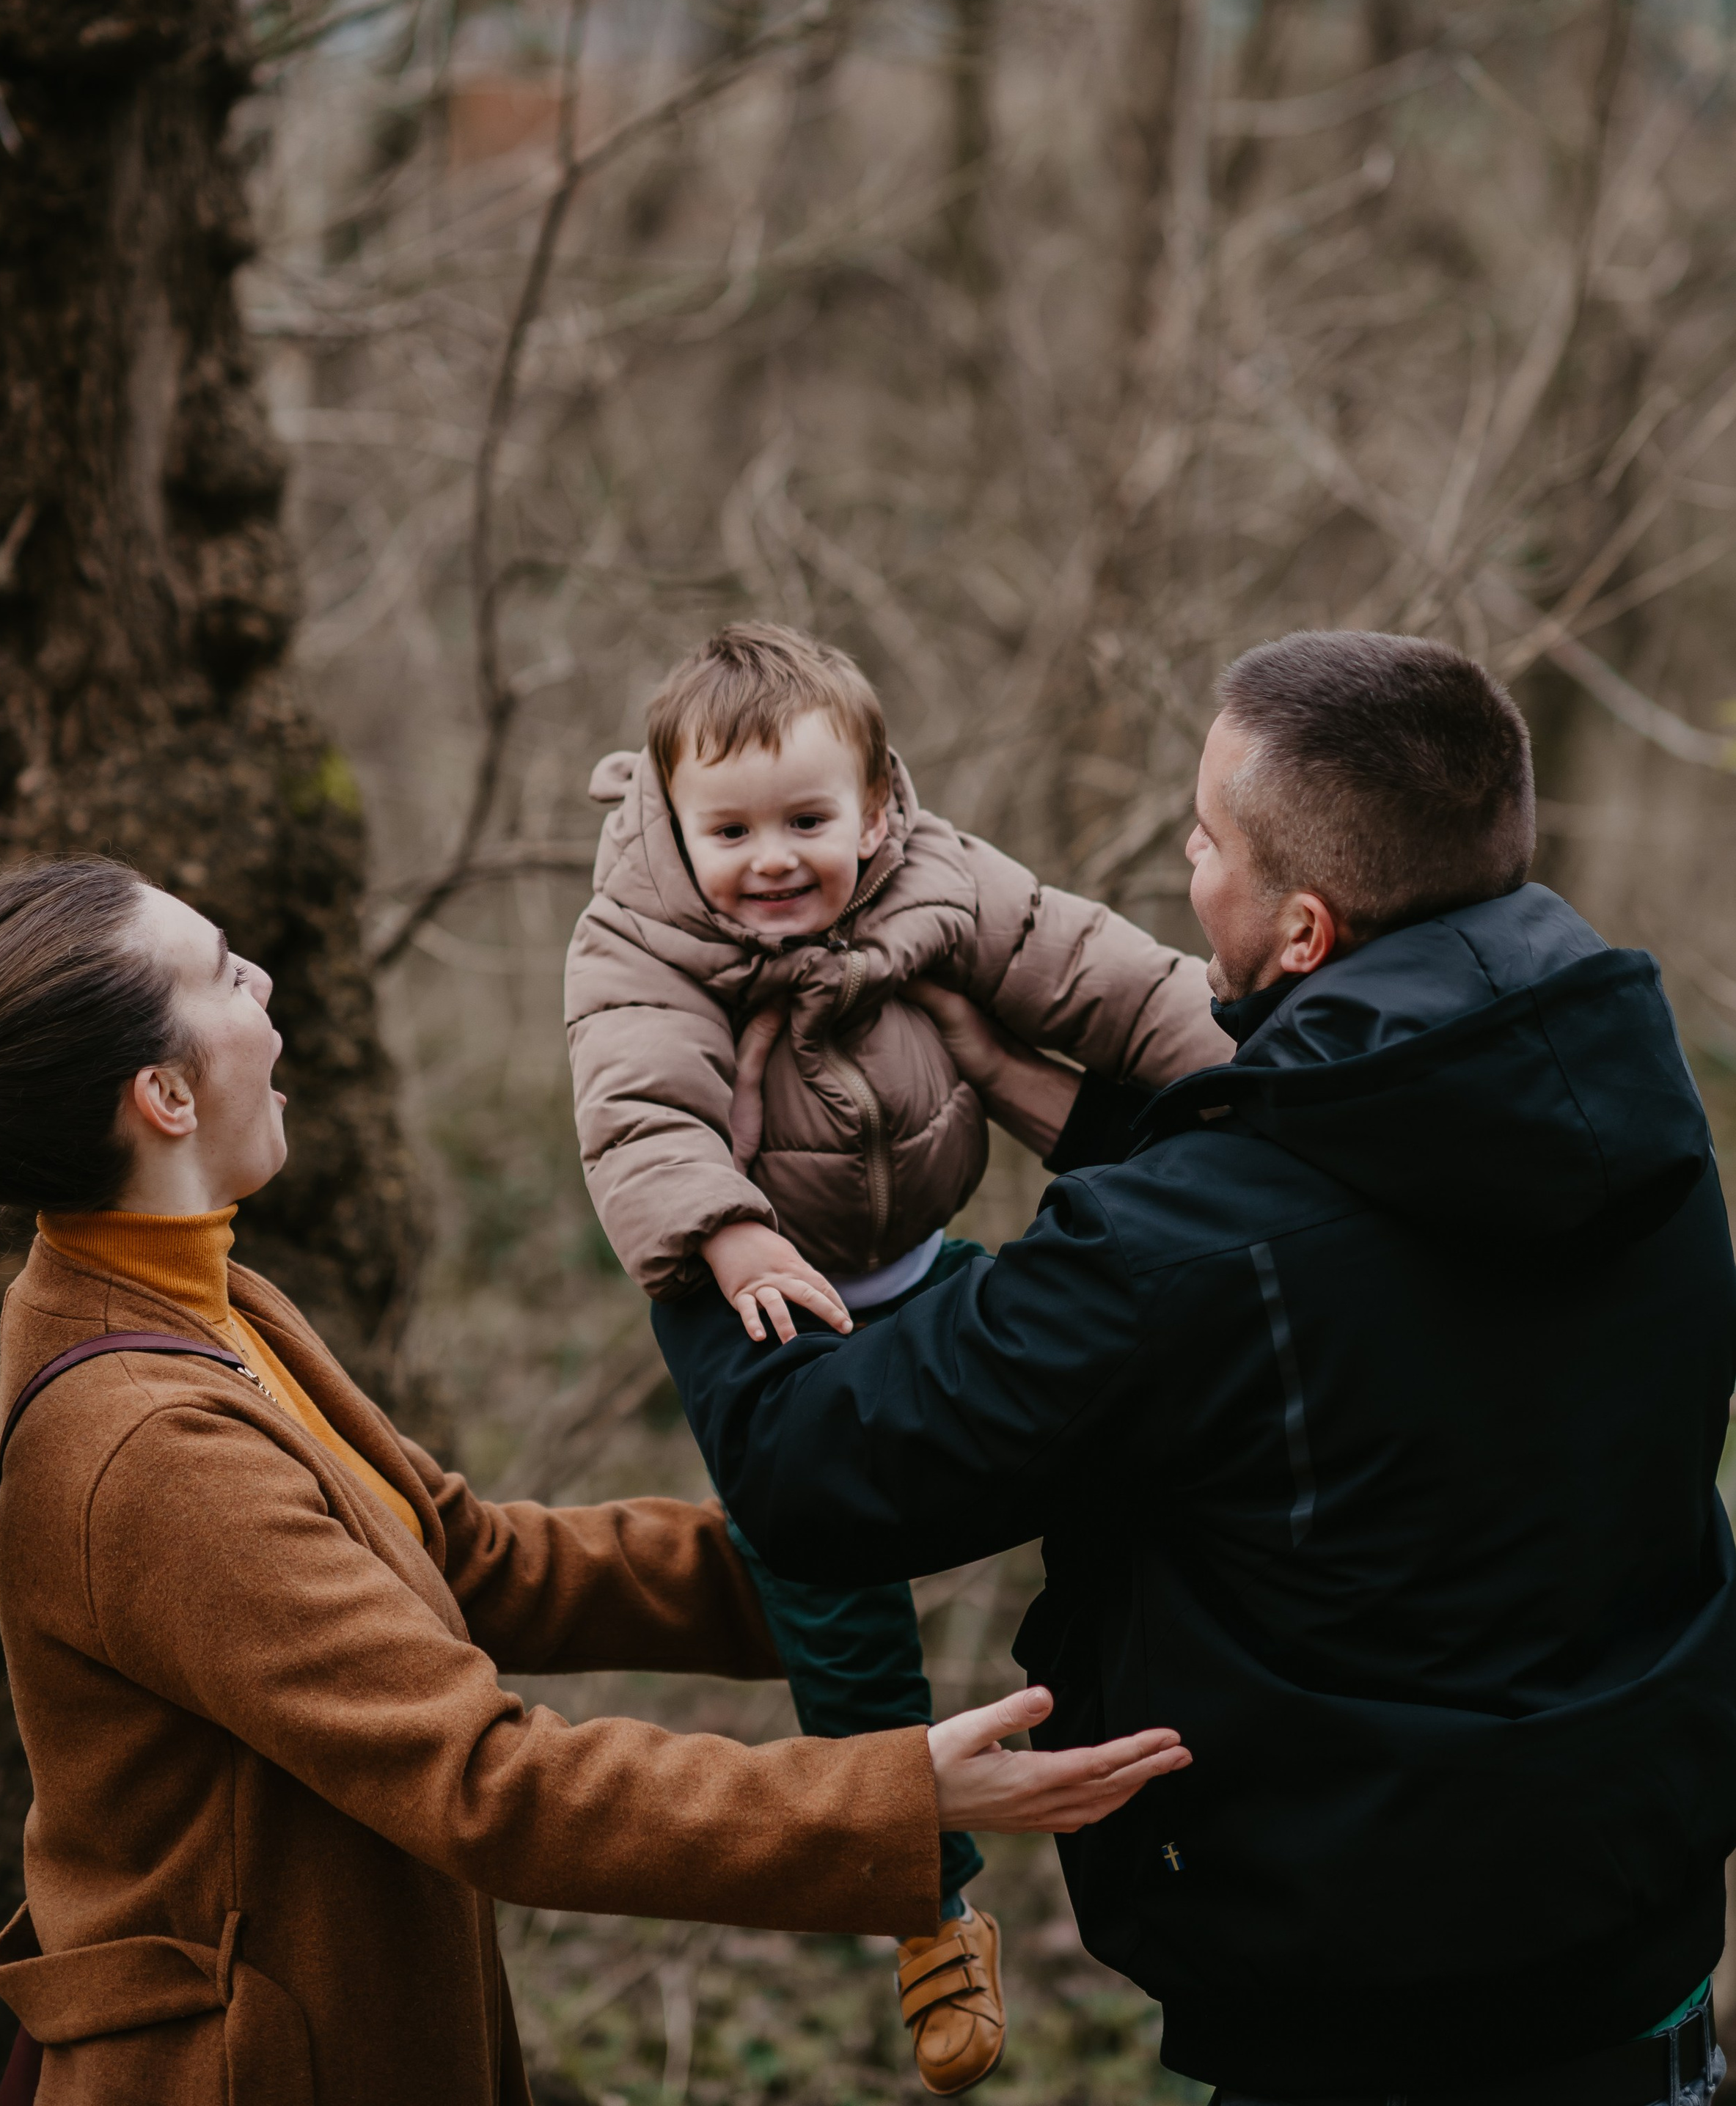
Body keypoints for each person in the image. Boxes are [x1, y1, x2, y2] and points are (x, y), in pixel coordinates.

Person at [0, 856, 1193, 2106]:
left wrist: (858, 1506)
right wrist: (894, 1798)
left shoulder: (193, 1298)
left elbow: (467, 1558)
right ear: (164, 1097)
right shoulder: (147, 1445)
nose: (262, 981)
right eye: (222, 973)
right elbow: (487, 1782)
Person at [661, 629, 1736, 2105]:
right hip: (1639, 1977)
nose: (1184, 861)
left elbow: (817, 1469)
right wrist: (1015, 1073)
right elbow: (1331, 1239)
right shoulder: (1628, 1106)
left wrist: (694, 1210)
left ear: (1301, 931)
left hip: (1360, 2038)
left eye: (1207, 837)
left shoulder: (1189, 1252)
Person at [565, 620, 1226, 2092]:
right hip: (755, 1302)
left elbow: (1110, 978)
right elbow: (638, 1112)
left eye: (806, 820)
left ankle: (1152, 1696)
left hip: (922, 1264)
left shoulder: (943, 878)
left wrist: (1267, 1065)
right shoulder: (640, 937)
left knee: (1121, 1402)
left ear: (876, 808)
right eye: (730, 830)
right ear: (673, 823)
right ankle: (925, 1904)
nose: (771, 860)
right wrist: (728, 1234)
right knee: (834, 1580)